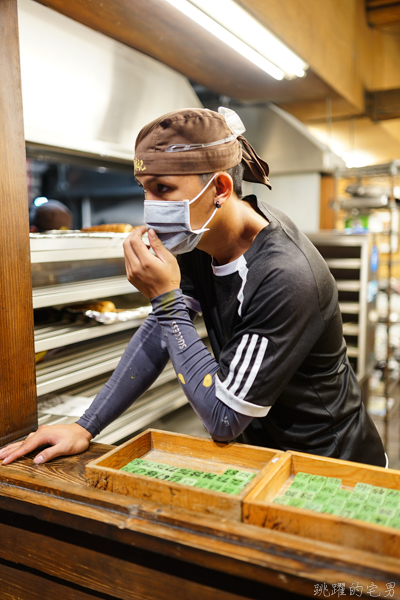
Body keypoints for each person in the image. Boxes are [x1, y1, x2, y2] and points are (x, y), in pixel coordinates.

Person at [0, 107, 386, 468]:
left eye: (163, 189)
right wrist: (86, 426)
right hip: (265, 457)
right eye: (143, 188)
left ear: (219, 187)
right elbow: (158, 333)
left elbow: (223, 416)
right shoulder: (201, 239)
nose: (149, 206)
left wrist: (165, 300)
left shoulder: (285, 276)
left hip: (333, 466)